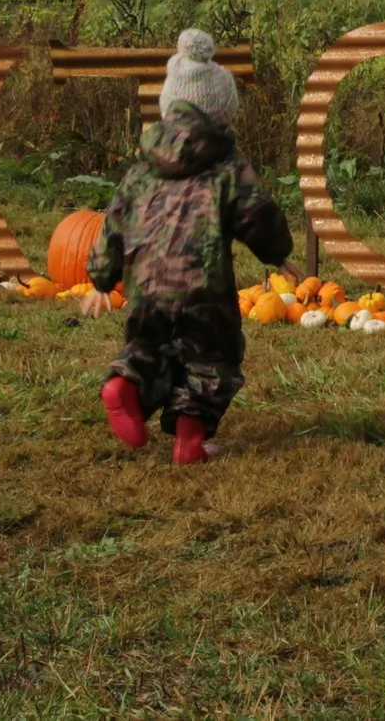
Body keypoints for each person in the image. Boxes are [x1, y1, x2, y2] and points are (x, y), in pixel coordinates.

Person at [83, 28, 295, 465]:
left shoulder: (143, 168)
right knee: (212, 359)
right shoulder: (225, 163)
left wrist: (102, 278)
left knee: (148, 345)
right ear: (221, 111)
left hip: (145, 286)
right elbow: (256, 213)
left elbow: (114, 219)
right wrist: (278, 254)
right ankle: (189, 440)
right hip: (203, 288)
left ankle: (125, 384)